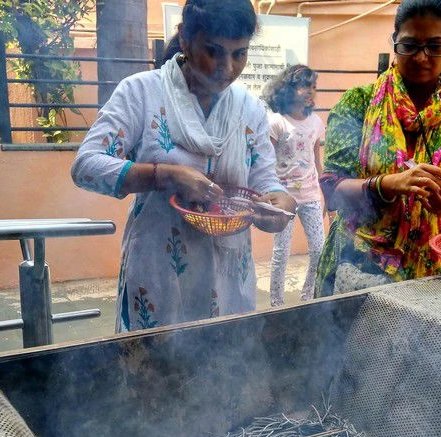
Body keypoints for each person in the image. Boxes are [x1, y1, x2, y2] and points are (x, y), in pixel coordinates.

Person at [71, 0, 296, 331]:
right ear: (186, 40)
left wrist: (279, 205)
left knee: (223, 368)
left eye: (239, 54)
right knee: (156, 371)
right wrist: (164, 175)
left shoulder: (249, 110)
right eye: (213, 51)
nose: (227, 67)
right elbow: (86, 166)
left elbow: (266, 182)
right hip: (158, 273)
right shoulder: (142, 93)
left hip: (228, 280)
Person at [315, 0, 441, 296]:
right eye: (409, 45)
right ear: (394, 41)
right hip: (357, 265)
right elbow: (332, 189)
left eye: (436, 47)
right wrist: (389, 184)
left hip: (433, 274)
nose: (422, 58)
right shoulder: (358, 103)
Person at [262, 65, 325, 306]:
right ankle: (276, 304)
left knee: (319, 250)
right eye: (304, 86)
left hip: (310, 196)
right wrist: (269, 195)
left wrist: (324, 194)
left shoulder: (315, 122)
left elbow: (316, 159)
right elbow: (266, 163)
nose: (310, 91)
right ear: (289, 89)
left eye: (313, 87)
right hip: (283, 198)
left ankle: (308, 296)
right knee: (281, 253)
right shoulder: (277, 122)